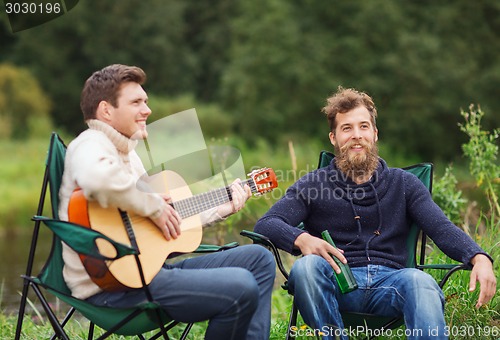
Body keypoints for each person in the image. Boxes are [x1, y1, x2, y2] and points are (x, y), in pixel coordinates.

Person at [254, 87, 496, 339]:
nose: (356, 135)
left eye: (364, 127)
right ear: (333, 138)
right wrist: (302, 239)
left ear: (375, 134)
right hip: (336, 283)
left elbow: (441, 228)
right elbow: (267, 224)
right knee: (306, 268)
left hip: (392, 284)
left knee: (421, 282)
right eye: (346, 128)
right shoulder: (313, 184)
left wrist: (479, 257)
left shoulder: (404, 184)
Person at [58, 64, 275, 340]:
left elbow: (155, 223)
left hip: (146, 272)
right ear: (106, 110)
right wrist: (153, 206)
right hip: (114, 287)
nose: (147, 110)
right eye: (136, 102)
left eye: (146, 101)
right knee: (241, 286)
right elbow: (98, 180)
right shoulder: (90, 144)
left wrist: (219, 209)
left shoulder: (130, 154)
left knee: (259, 259)